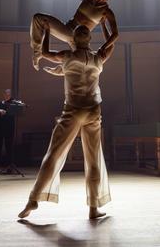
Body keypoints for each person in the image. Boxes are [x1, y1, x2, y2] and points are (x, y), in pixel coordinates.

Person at [19, 25, 116, 220]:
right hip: (92, 110)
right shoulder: (99, 57)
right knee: (93, 159)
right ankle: (93, 207)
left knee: (53, 154)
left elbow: (45, 52)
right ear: (89, 39)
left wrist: (46, 30)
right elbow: (113, 42)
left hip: (73, 109)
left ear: (74, 39)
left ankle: (33, 199)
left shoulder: (67, 56)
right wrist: (105, 25)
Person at [30, 0, 118, 71]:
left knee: (86, 63)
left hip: (80, 39)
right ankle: (37, 52)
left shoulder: (106, 11)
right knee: (38, 18)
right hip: (68, 29)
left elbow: (115, 34)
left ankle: (62, 70)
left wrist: (103, 46)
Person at [0, 89, 16, 172]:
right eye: (6, 93)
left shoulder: (13, 103)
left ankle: (8, 166)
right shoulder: (0, 103)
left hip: (9, 128)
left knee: (8, 147)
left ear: (11, 95)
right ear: (4, 94)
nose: (7, 95)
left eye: (9, 94)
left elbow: (16, 111)